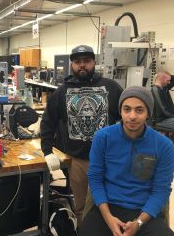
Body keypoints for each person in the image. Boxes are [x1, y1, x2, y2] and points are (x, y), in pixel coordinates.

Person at [40, 45, 123, 226]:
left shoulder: (112, 87)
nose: (82, 65)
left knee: (110, 204)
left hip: (108, 159)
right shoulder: (62, 92)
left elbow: (127, 117)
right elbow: (48, 122)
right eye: (78, 62)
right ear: (72, 65)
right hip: (79, 160)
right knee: (81, 206)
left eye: (86, 61)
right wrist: (47, 151)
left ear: (94, 62)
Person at [79, 86, 174, 236]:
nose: (132, 116)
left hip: (144, 211)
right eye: (127, 109)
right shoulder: (103, 138)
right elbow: (95, 179)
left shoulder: (163, 145)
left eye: (139, 110)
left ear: (148, 113)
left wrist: (139, 223)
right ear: (120, 111)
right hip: (108, 207)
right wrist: (109, 219)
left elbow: (161, 190)